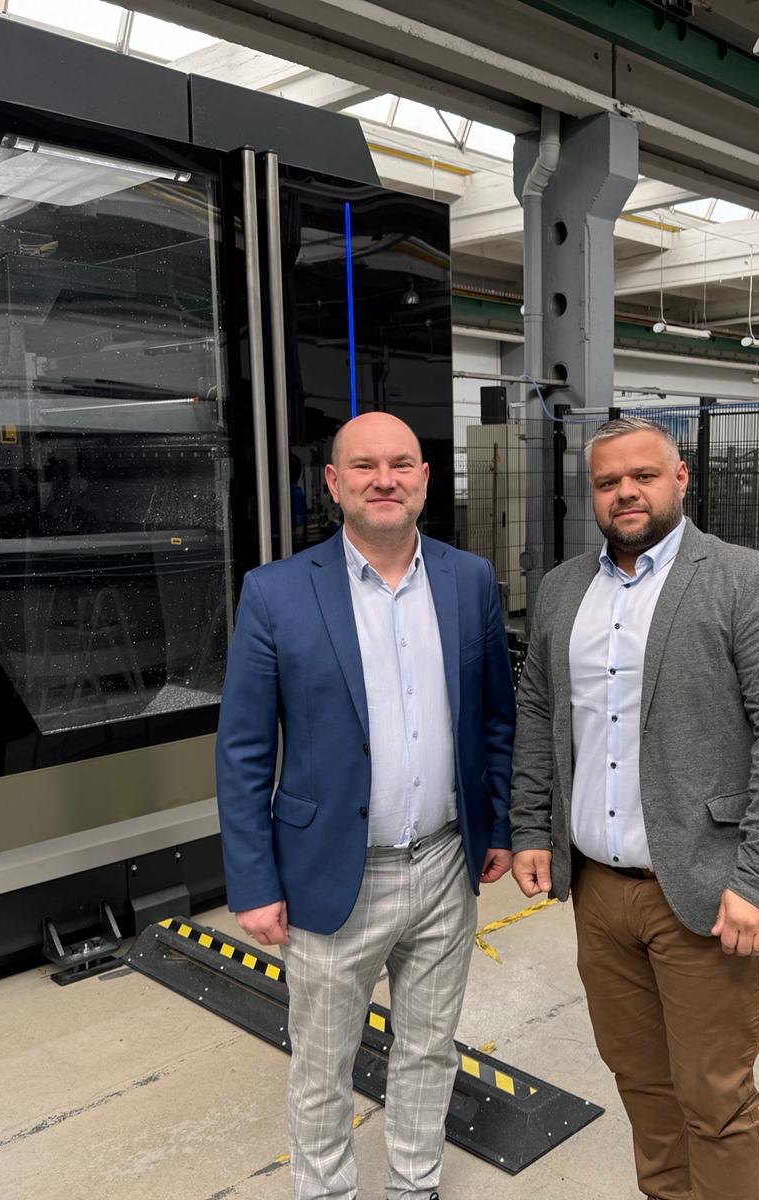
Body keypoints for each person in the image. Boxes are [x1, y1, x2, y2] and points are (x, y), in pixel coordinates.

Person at [509, 414, 759, 1200]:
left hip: (704, 891)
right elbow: (539, 712)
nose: (626, 493)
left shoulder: (748, 581)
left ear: (681, 478)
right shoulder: (562, 591)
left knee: (715, 1098)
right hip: (597, 893)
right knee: (641, 1083)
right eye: (608, 482)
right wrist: (531, 826)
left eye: (643, 476)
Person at [215, 411, 515, 1200]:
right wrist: (253, 882)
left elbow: (495, 718)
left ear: (424, 478)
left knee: (429, 1050)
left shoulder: (469, 580)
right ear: (333, 483)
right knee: (323, 1066)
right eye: (365, 466)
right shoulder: (277, 592)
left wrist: (498, 825)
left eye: (402, 464)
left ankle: (415, 1187)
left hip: (445, 864)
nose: (385, 480)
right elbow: (244, 750)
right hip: (331, 875)